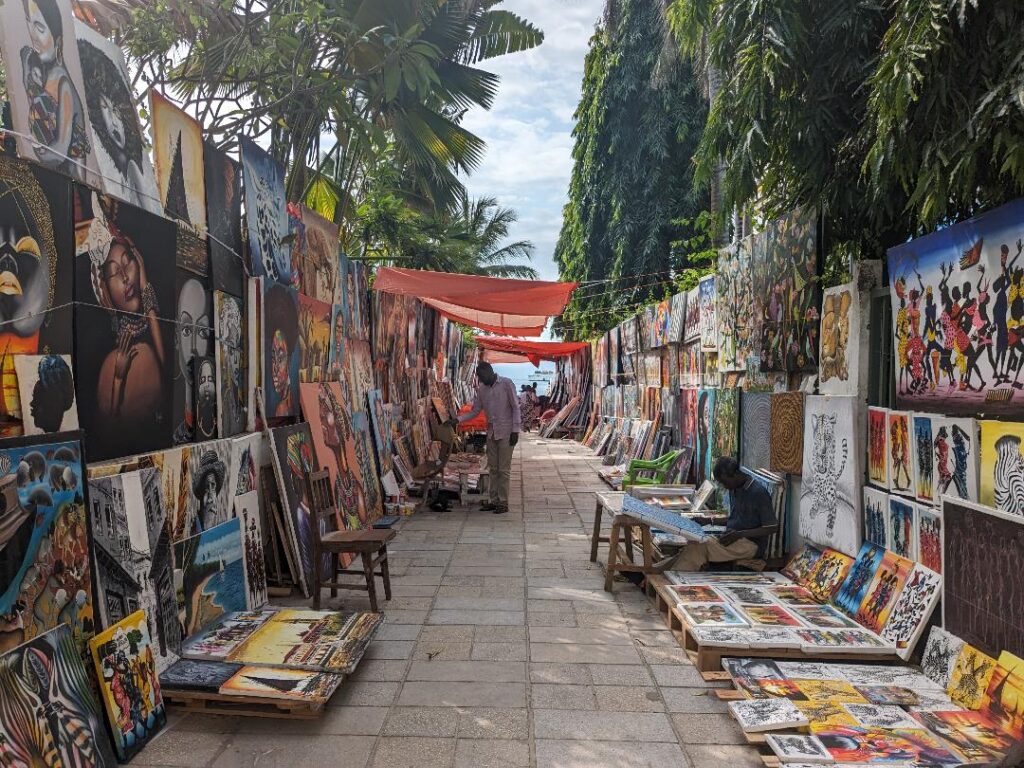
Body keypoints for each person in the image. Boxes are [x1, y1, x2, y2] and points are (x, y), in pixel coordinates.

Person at [658, 456, 777, 571]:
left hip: (751, 545)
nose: (724, 486)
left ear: (735, 475)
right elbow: (736, 518)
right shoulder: (736, 488)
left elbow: (772, 527)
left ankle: (673, 577)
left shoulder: (758, 493)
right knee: (694, 544)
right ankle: (663, 572)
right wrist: (710, 521)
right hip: (735, 538)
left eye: (725, 482)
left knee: (700, 546)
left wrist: (739, 534)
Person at [458, 362, 520, 514]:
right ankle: (494, 500)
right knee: (493, 468)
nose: (480, 379)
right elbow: (475, 411)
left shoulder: (506, 384)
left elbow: (515, 407)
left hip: (506, 432)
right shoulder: (482, 390)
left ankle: (503, 502)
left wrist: (515, 430)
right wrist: (458, 420)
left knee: (503, 470)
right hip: (491, 432)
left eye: (481, 376)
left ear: (489, 372)